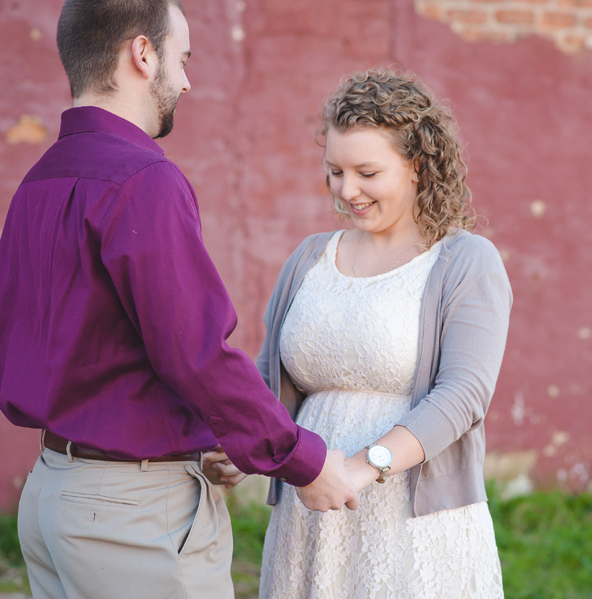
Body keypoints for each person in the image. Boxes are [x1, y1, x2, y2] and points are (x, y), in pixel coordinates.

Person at [0, 1, 359, 598]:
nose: (188, 80)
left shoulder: (37, 182)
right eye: (183, 57)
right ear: (143, 54)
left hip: (49, 496)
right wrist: (301, 460)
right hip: (131, 516)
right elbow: (195, 352)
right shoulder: (144, 180)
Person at [254, 67, 511, 598]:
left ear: (417, 167)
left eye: (367, 173)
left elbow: (463, 395)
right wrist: (241, 449)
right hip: (312, 515)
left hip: (412, 524)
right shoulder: (308, 259)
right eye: (335, 172)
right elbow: (269, 382)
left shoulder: (466, 262)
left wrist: (361, 468)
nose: (348, 190)